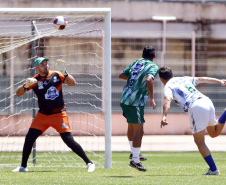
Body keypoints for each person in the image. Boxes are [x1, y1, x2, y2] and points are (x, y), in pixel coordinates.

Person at [12, 57, 95, 172]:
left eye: (46, 64)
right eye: (42, 65)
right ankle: (23, 166)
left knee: (69, 141)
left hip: (59, 114)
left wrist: (65, 72)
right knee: (29, 138)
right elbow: (18, 93)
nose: (46, 66)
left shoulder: (56, 75)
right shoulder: (34, 81)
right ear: (37, 67)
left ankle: (89, 163)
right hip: (43, 116)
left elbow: (73, 83)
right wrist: (25, 85)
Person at [158, 66, 226, 175]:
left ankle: (214, 169)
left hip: (196, 106)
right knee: (214, 133)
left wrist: (164, 116)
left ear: (162, 79)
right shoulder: (183, 78)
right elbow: (202, 79)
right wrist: (220, 81)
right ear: (172, 74)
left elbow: (167, 99)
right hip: (207, 101)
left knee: (199, 142)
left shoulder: (168, 86)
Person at [119, 46, 159, 172]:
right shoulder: (153, 66)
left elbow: (122, 75)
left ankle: (133, 152)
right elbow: (149, 79)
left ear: (142, 54)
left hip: (125, 98)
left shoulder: (136, 62)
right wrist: (151, 97)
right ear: (154, 56)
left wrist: (134, 78)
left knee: (131, 127)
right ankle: (135, 160)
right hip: (135, 101)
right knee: (139, 131)